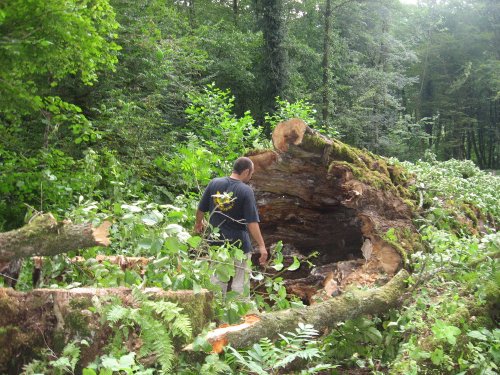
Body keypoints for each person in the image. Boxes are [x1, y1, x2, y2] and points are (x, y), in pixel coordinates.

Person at [195, 157, 267, 295]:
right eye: (251, 173)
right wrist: (262, 246)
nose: (251, 177)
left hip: (216, 243)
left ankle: (216, 312)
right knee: (240, 283)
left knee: (216, 280)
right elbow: (252, 222)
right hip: (239, 245)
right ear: (246, 171)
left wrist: (198, 223)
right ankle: (238, 313)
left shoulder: (214, 183)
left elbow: (200, 209)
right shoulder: (246, 191)